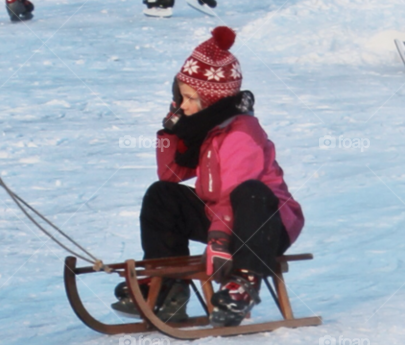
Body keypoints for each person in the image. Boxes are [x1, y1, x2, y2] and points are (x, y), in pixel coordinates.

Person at [110, 27, 304, 326]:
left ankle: (244, 283)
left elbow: (232, 192)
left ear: (211, 100)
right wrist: (171, 130)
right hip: (222, 220)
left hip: (263, 224)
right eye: (180, 98)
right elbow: (171, 174)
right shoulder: (205, 128)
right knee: (161, 194)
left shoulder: (241, 132)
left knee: (250, 191)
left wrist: (219, 242)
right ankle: (168, 285)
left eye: (188, 99)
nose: (183, 105)